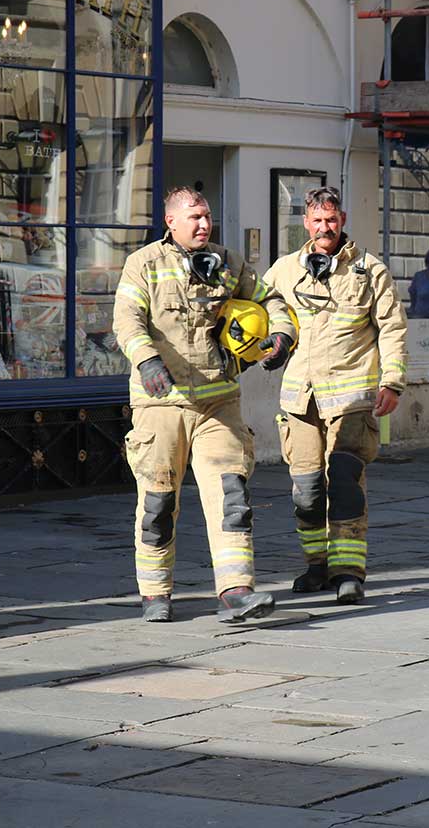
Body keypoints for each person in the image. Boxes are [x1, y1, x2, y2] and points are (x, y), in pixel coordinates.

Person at [113, 186, 296, 624]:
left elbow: (271, 301)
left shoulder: (229, 263)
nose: (203, 223)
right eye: (193, 216)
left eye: (207, 215)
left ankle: (236, 592)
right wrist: (147, 359)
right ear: (171, 222)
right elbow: (126, 320)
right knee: (158, 503)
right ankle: (155, 594)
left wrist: (281, 336)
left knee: (232, 497)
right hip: (161, 404)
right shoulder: (143, 265)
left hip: (219, 404)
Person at [263, 187, 408, 605]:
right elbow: (259, 301)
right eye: (317, 221)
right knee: (306, 492)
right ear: (306, 224)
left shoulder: (369, 270)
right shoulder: (286, 269)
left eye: (331, 220)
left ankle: (349, 573)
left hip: (352, 400)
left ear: (342, 219)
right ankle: (317, 566)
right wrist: (268, 341)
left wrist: (392, 382)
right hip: (300, 401)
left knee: (344, 485)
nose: (325, 228)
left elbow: (393, 328)